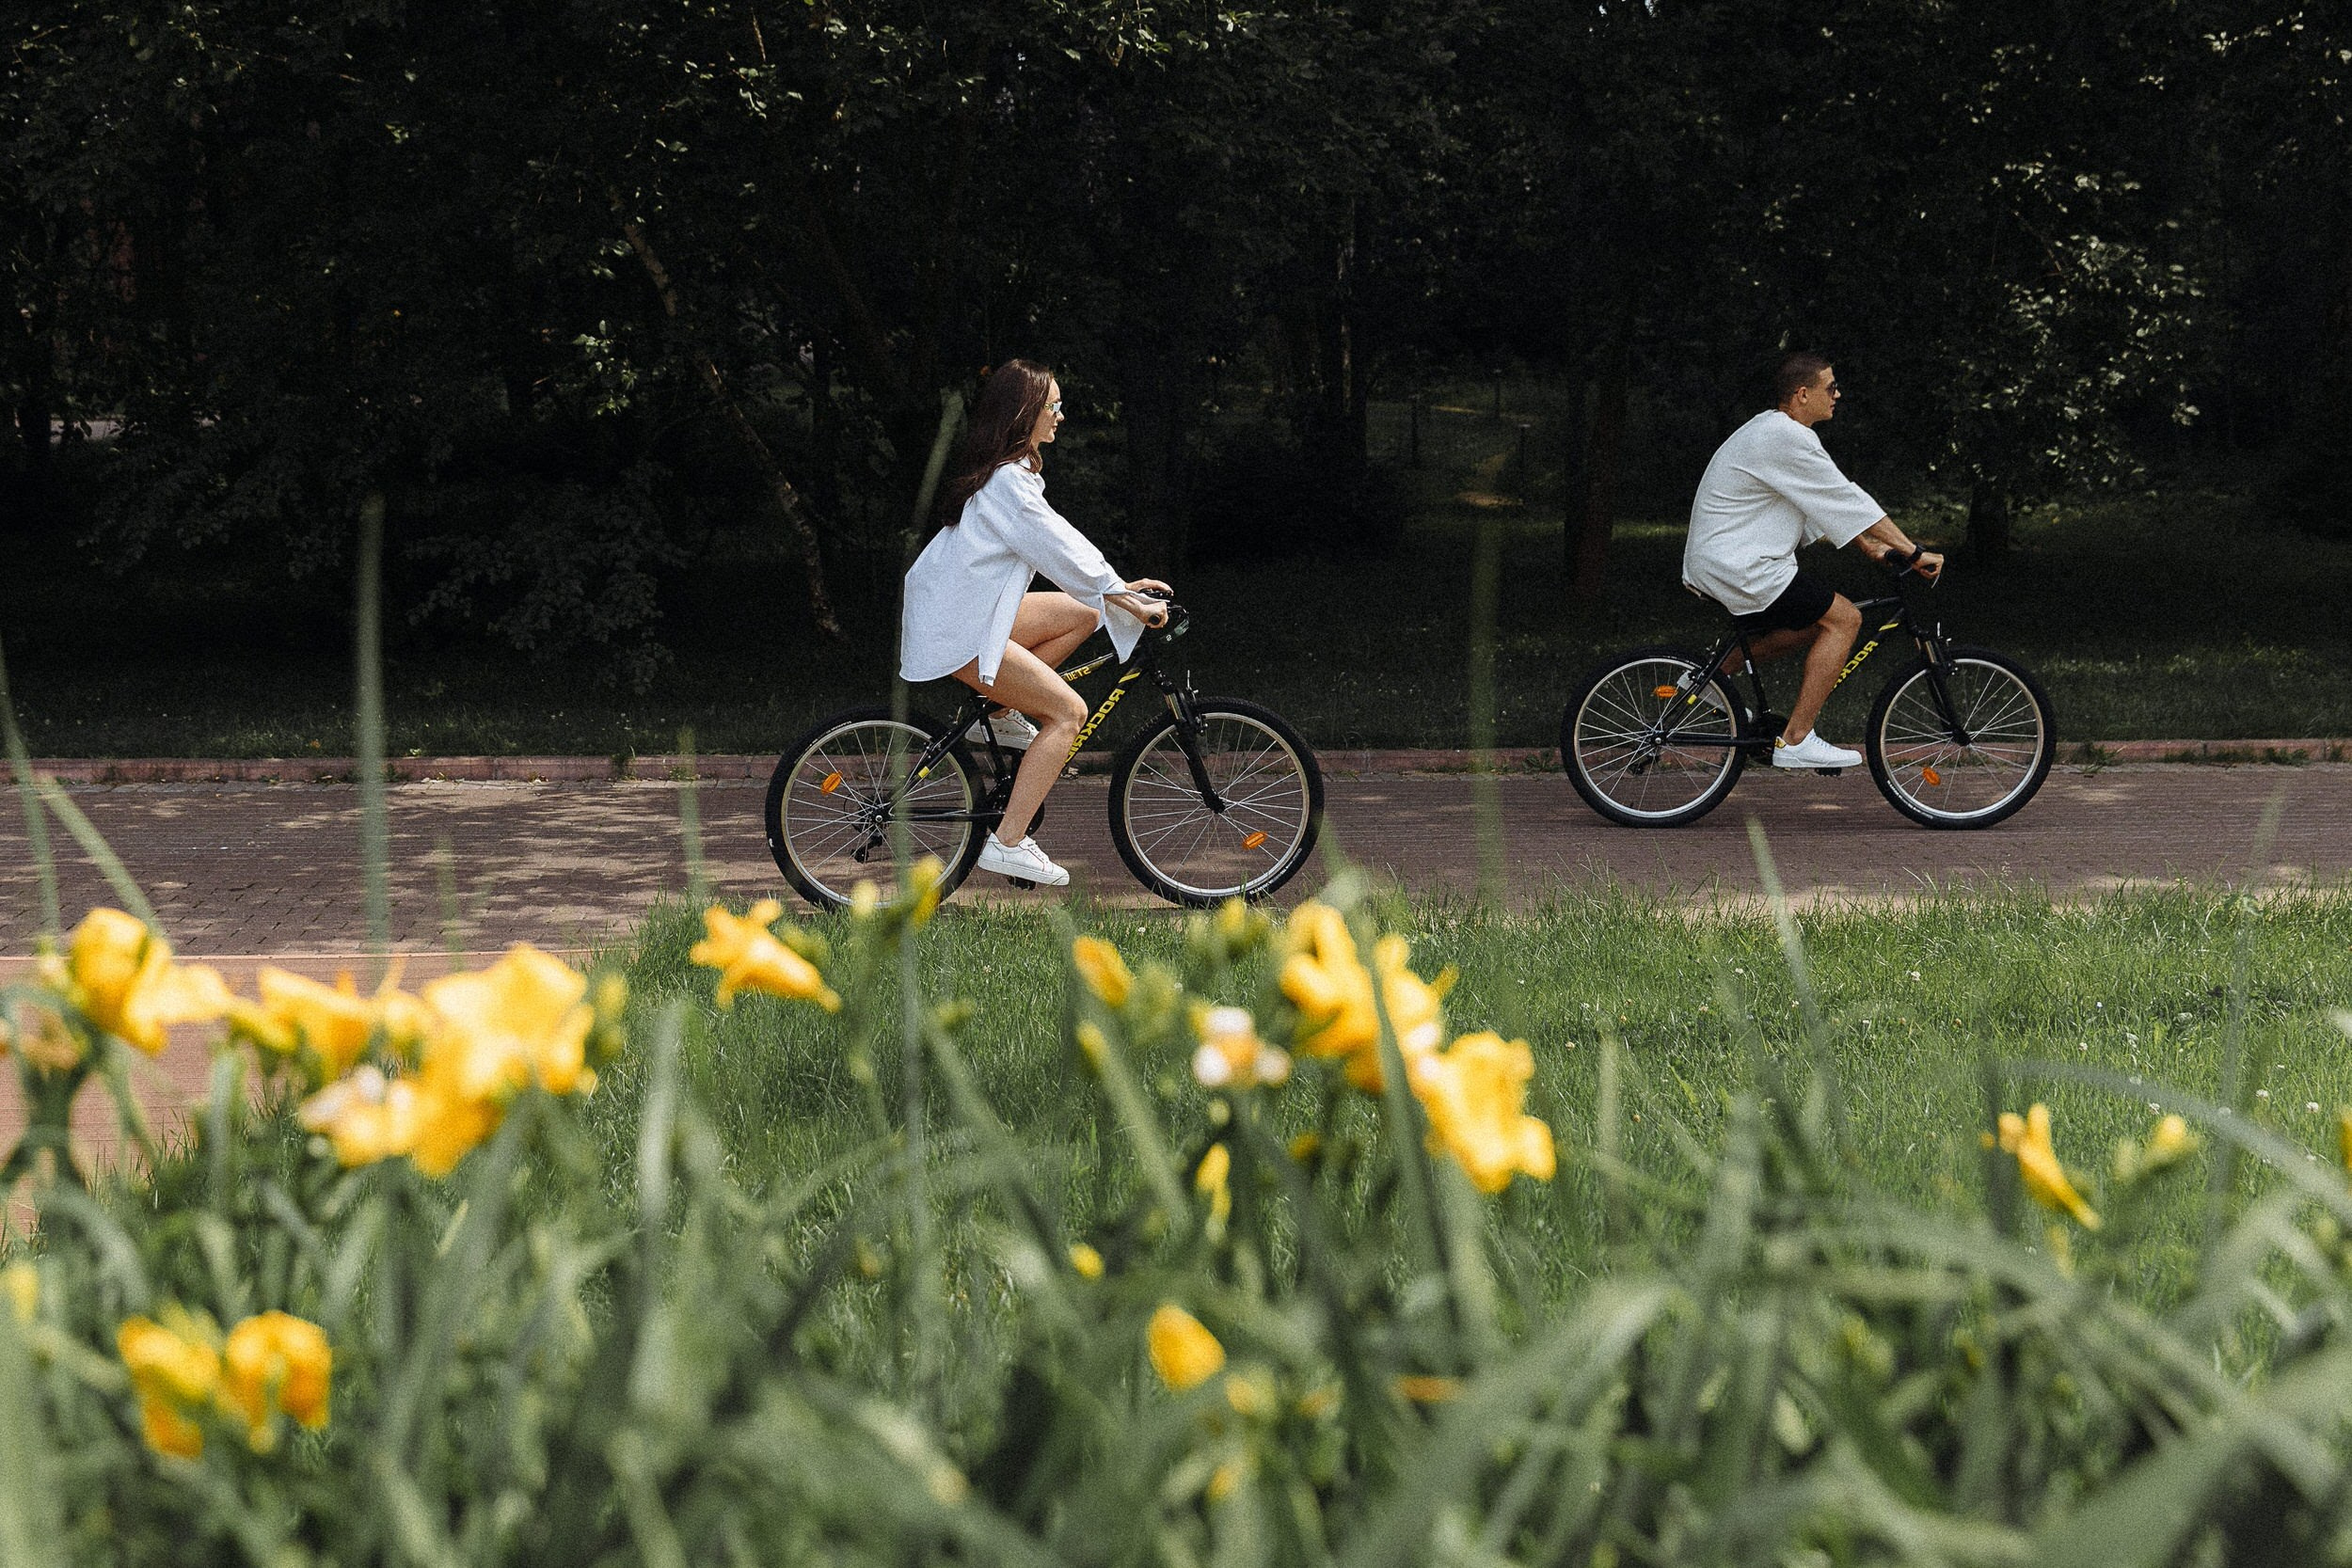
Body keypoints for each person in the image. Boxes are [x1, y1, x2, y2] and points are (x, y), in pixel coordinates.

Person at [899, 358, 1169, 888]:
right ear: (1026, 414)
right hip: (960, 627)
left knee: (1085, 612)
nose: (1061, 416)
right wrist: (1121, 594)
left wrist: (1114, 593)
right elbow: (1058, 547)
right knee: (1068, 713)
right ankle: (1006, 842)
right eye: (1054, 406)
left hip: (964, 609)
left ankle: (998, 712)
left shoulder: (1010, 477)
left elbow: (1062, 547)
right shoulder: (1009, 485)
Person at [1681, 352, 1944, 770]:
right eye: (1831, 387)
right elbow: (1845, 497)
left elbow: (1820, 499)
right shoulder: (1786, 437)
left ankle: (1709, 681)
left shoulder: (1776, 432)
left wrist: (1870, 546)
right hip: (1740, 563)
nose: (1838, 394)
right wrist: (1911, 549)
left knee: (1810, 623)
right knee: (1845, 619)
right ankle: (1797, 740)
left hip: (1729, 559)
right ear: (1803, 394)